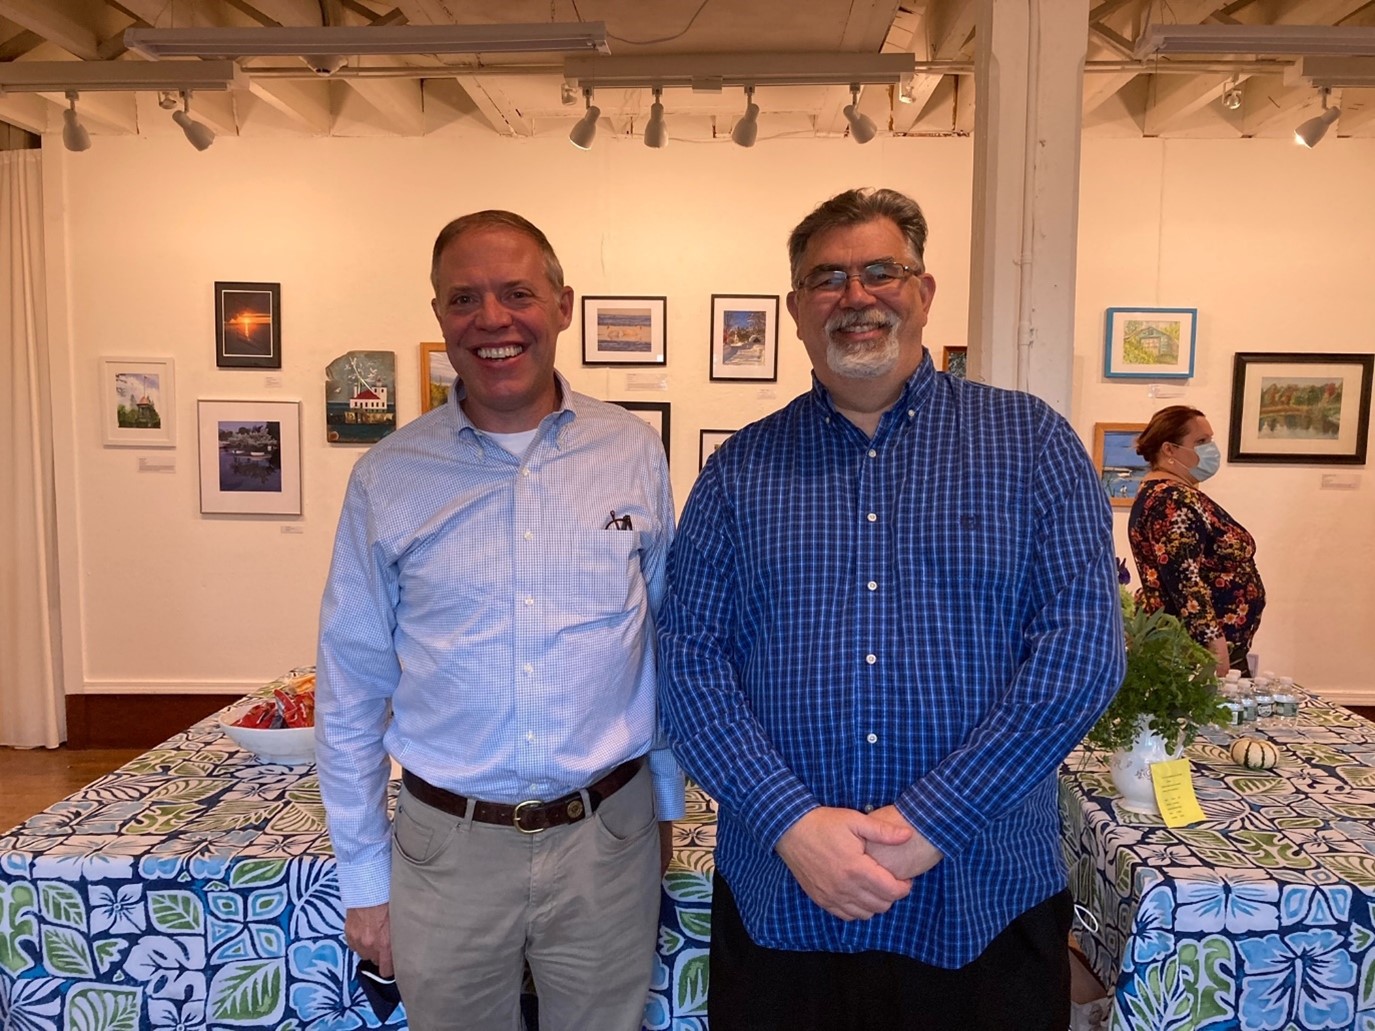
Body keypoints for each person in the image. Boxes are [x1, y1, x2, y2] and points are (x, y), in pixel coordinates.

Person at [657, 187, 1126, 1031]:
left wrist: (929, 822)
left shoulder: (1030, 444)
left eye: (881, 271)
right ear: (796, 309)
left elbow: (1081, 652)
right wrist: (791, 823)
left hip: (982, 894)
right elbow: (689, 662)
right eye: (827, 277)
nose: (855, 295)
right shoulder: (738, 472)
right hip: (783, 900)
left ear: (923, 291)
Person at [315, 209, 684, 1031]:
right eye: (464, 298)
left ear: (562, 305)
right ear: (439, 314)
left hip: (608, 837)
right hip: (447, 848)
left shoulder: (631, 451)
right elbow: (349, 689)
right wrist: (364, 881)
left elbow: (658, 641)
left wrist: (661, 804)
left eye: (517, 293)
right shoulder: (388, 476)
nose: (491, 318)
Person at [1128, 405, 1265, 675]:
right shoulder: (1172, 500)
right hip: (1198, 652)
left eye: (1210, 440)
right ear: (1169, 449)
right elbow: (1184, 579)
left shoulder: (1168, 493)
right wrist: (1213, 644)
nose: (1211, 449)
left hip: (1200, 647)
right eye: (1201, 441)